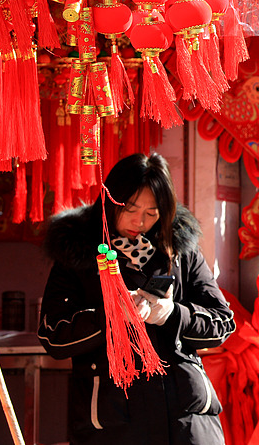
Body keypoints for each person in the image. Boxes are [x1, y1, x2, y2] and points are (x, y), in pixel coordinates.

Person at [38, 153, 236, 445]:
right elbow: (53, 335)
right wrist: (109, 317)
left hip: (186, 423)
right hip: (113, 423)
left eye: (152, 212)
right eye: (129, 208)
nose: (139, 221)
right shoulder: (77, 253)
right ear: (109, 201)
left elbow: (222, 323)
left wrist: (172, 314)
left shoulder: (181, 251)